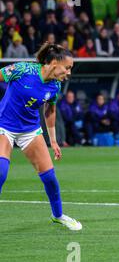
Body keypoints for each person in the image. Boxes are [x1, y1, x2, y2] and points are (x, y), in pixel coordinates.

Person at [0, 43, 82, 230]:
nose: (69, 72)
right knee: (1, 172)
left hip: (30, 130)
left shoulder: (55, 86)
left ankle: (58, 215)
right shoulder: (22, 69)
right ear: (54, 63)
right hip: (4, 126)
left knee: (50, 178)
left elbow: (50, 110)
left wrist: (53, 140)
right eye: (67, 67)